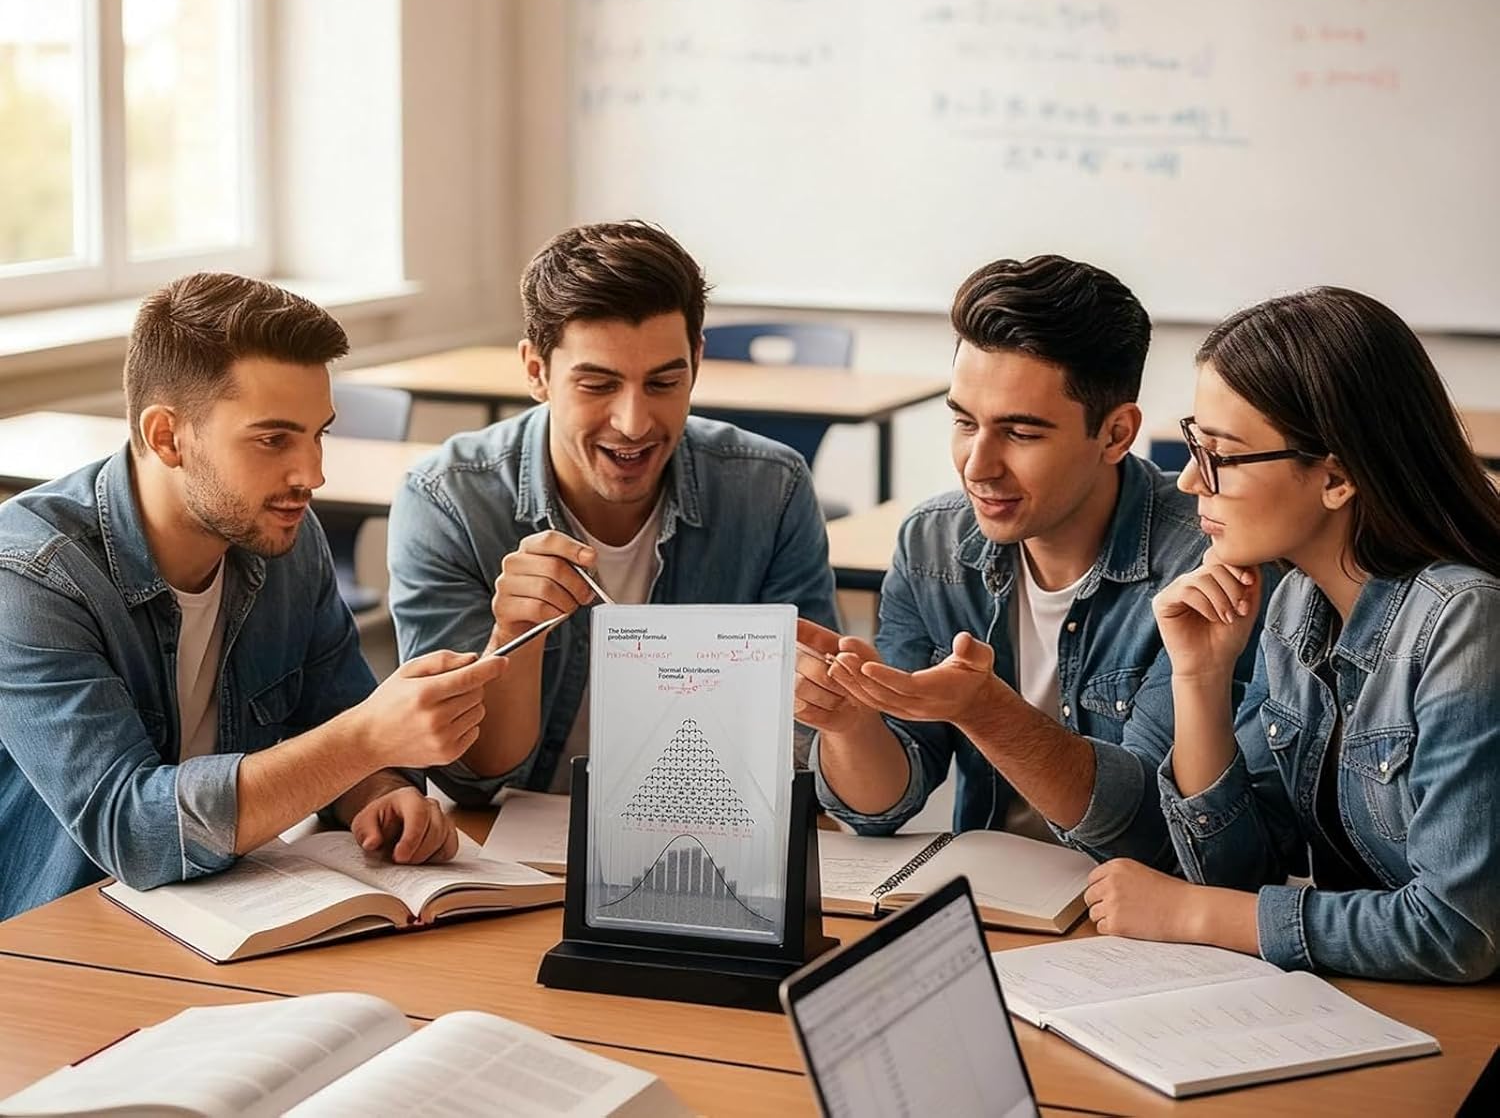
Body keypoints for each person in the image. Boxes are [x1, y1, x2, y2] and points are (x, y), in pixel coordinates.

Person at [0, 274, 505, 922]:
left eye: (318, 433)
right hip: (58, 944)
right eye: (274, 440)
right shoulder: (30, 579)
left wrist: (378, 792)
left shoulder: (285, 540)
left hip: (225, 922)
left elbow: (333, 716)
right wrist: (366, 743)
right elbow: (133, 828)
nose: (313, 475)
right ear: (166, 436)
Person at [1082, 287, 1500, 982]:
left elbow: (1457, 930)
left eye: (1219, 453)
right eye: (1194, 443)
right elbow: (1243, 868)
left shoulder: (1465, 622)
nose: (1190, 479)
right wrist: (1201, 680)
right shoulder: (1296, 604)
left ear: (1335, 476)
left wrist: (1189, 915)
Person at [805, 256, 1257, 865]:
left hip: (1139, 923)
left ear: (1116, 434)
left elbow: (1157, 831)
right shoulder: (934, 544)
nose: (977, 465)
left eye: (1021, 434)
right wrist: (851, 722)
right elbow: (885, 807)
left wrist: (984, 709)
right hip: (996, 908)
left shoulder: (1205, 561)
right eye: (965, 422)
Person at [387, 220, 838, 803]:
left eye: (663, 382)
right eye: (597, 385)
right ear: (535, 372)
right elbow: (467, 777)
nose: (634, 423)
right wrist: (515, 636)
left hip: (710, 830)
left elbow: (805, 744)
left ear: (696, 363)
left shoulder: (770, 490)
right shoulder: (448, 501)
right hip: (517, 845)